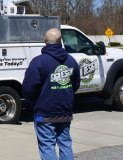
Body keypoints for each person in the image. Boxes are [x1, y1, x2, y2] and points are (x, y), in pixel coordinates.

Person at [22, 28, 81, 160]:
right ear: (61, 41)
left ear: (45, 42)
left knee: (47, 146)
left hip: (44, 112)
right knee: (65, 144)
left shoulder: (39, 62)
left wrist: (35, 102)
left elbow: (28, 89)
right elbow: (76, 85)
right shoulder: (71, 61)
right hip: (65, 111)